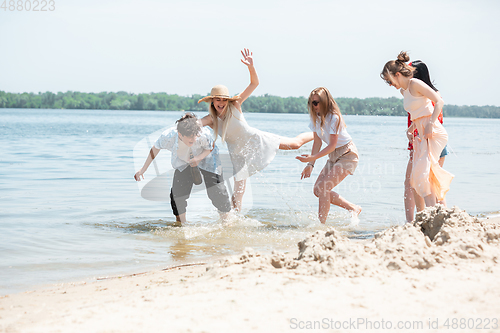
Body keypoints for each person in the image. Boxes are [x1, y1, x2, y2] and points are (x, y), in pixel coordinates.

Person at [198, 49, 313, 212]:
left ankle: (319, 132)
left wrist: (251, 66)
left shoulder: (235, 105)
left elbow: (254, 84)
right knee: (239, 191)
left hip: (255, 140)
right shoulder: (211, 119)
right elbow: (195, 124)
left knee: (295, 144)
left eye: (224, 99)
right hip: (238, 154)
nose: (221, 102)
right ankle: (232, 222)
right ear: (212, 101)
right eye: (218, 99)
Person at [381, 52, 454, 210]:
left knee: (422, 175)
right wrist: (410, 129)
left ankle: (430, 213)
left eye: (389, 81)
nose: (390, 85)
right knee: (418, 178)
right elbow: (419, 113)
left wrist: (430, 124)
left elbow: (439, 101)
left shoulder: (414, 83)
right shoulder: (404, 91)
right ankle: (434, 212)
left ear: (397, 74)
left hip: (433, 133)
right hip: (421, 135)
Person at [134, 113, 231, 223]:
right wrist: (143, 169)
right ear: (180, 134)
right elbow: (155, 149)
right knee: (177, 196)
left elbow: (211, 147)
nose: (193, 139)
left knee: (216, 191)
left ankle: (226, 222)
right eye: (190, 137)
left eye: (195, 136)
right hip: (183, 160)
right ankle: (181, 224)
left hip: (207, 157)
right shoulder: (169, 136)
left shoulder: (203, 134)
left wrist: (198, 159)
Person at [296, 87, 361, 224]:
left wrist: (312, 157)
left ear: (325, 102)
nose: (313, 106)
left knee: (324, 188)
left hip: (347, 154)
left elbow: (332, 145)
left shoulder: (334, 117)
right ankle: (353, 208)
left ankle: (321, 226)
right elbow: (317, 142)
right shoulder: (316, 118)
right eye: (311, 103)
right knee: (318, 190)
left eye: (316, 103)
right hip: (333, 156)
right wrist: (310, 164)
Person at [404, 60, 448, 222]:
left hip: (429, 140)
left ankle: (420, 219)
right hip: (421, 140)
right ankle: (427, 218)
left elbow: (434, 119)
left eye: (410, 73)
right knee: (428, 182)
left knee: (422, 182)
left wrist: (422, 132)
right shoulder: (413, 93)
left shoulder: (424, 94)